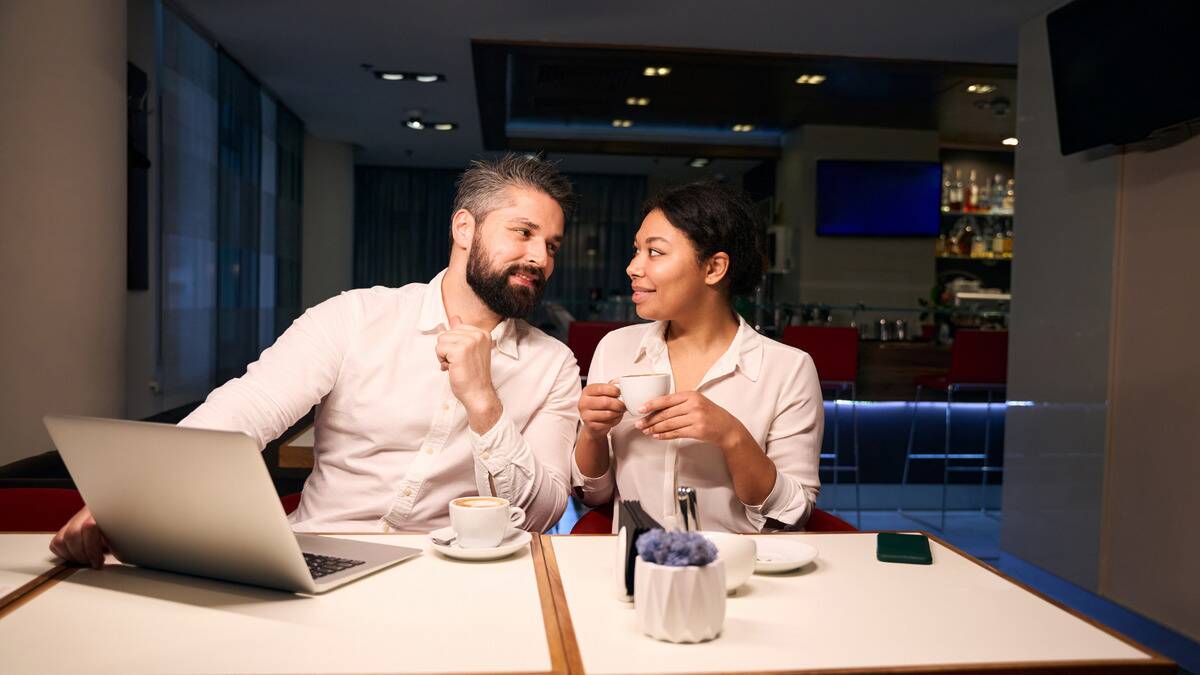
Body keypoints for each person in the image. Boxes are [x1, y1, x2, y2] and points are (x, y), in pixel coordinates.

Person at [52, 154, 582, 568]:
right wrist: (132, 496)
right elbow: (247, 409)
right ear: (464, 228)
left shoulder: (553, 365)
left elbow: (542, 513)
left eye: (553, 246)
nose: (540, 258)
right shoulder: (354, 317)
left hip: (452, 573)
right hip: (317, 557)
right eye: (523, 232)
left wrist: (485, 403)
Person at [572, 182, 822, 533]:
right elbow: (595, 495)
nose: (633, 267)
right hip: (637, 570)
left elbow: (792, 513)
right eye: (636, 250)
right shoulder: (616, 348)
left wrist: (732, 436)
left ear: (714, 268)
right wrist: (593, 433)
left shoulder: (788, 369)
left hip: (741, 572)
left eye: (655, 252)